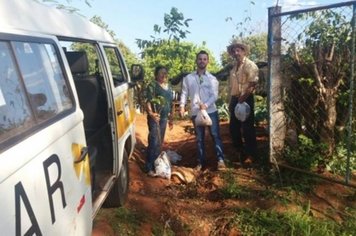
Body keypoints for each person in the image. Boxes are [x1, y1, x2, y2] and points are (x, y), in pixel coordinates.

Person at [179, 50, 226, 171]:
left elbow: (215, 95)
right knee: (199, 138)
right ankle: (200, 163)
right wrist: (182, 106)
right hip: (196, 112)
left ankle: (221, 161)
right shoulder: (188, 78)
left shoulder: (212, 79)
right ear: (196, 60)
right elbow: (184, 93)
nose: (202, 61)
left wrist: (206, 105)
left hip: (211, 111)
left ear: (208, 61)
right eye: (200, 59)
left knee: (215, 135)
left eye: (204, 59)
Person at [227, 40, 259, 164]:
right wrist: (231, 102)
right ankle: (239, 152)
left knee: (247, 127)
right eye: (234, 51)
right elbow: (232, 87)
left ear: (244, 51)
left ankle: (251, 155)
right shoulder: (234, 68)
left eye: (238, 50)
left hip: (246, 98)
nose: (236, 52)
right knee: (233, 127)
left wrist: (244, 96)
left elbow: (252, 84)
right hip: (235, 99)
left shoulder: (250, 65)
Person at [145, 65, 174, 176]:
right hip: (155, 118)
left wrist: (171, 118)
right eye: (161, 72)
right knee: (153, 141)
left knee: (159, 141)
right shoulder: (152, 85)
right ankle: (149, 167)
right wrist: (152, 114)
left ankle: (157, 165)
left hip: (164, 118)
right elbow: (148, 101)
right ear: (156, 74)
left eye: (165, 73)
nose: (163, 75)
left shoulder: (169, 87)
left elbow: (171, 104)